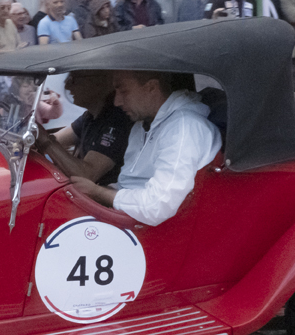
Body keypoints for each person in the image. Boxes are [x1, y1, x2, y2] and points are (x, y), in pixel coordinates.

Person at [70, 71, 221, 227]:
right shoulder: (141, 127)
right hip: (136, 224)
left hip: (171, 230)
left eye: (123, 91)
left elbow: (157, 206)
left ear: (151, 87)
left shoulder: (184, 128)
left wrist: (97, 192)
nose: (116, 101)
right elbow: (128, 185)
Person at [33, 70, 132, 185]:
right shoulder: (90, 116)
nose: (68, 86)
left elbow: (86, 175)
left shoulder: (115, 121)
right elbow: (58, 139)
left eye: (74, 80)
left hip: (102, 198)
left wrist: (45, 140)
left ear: (98, 83)